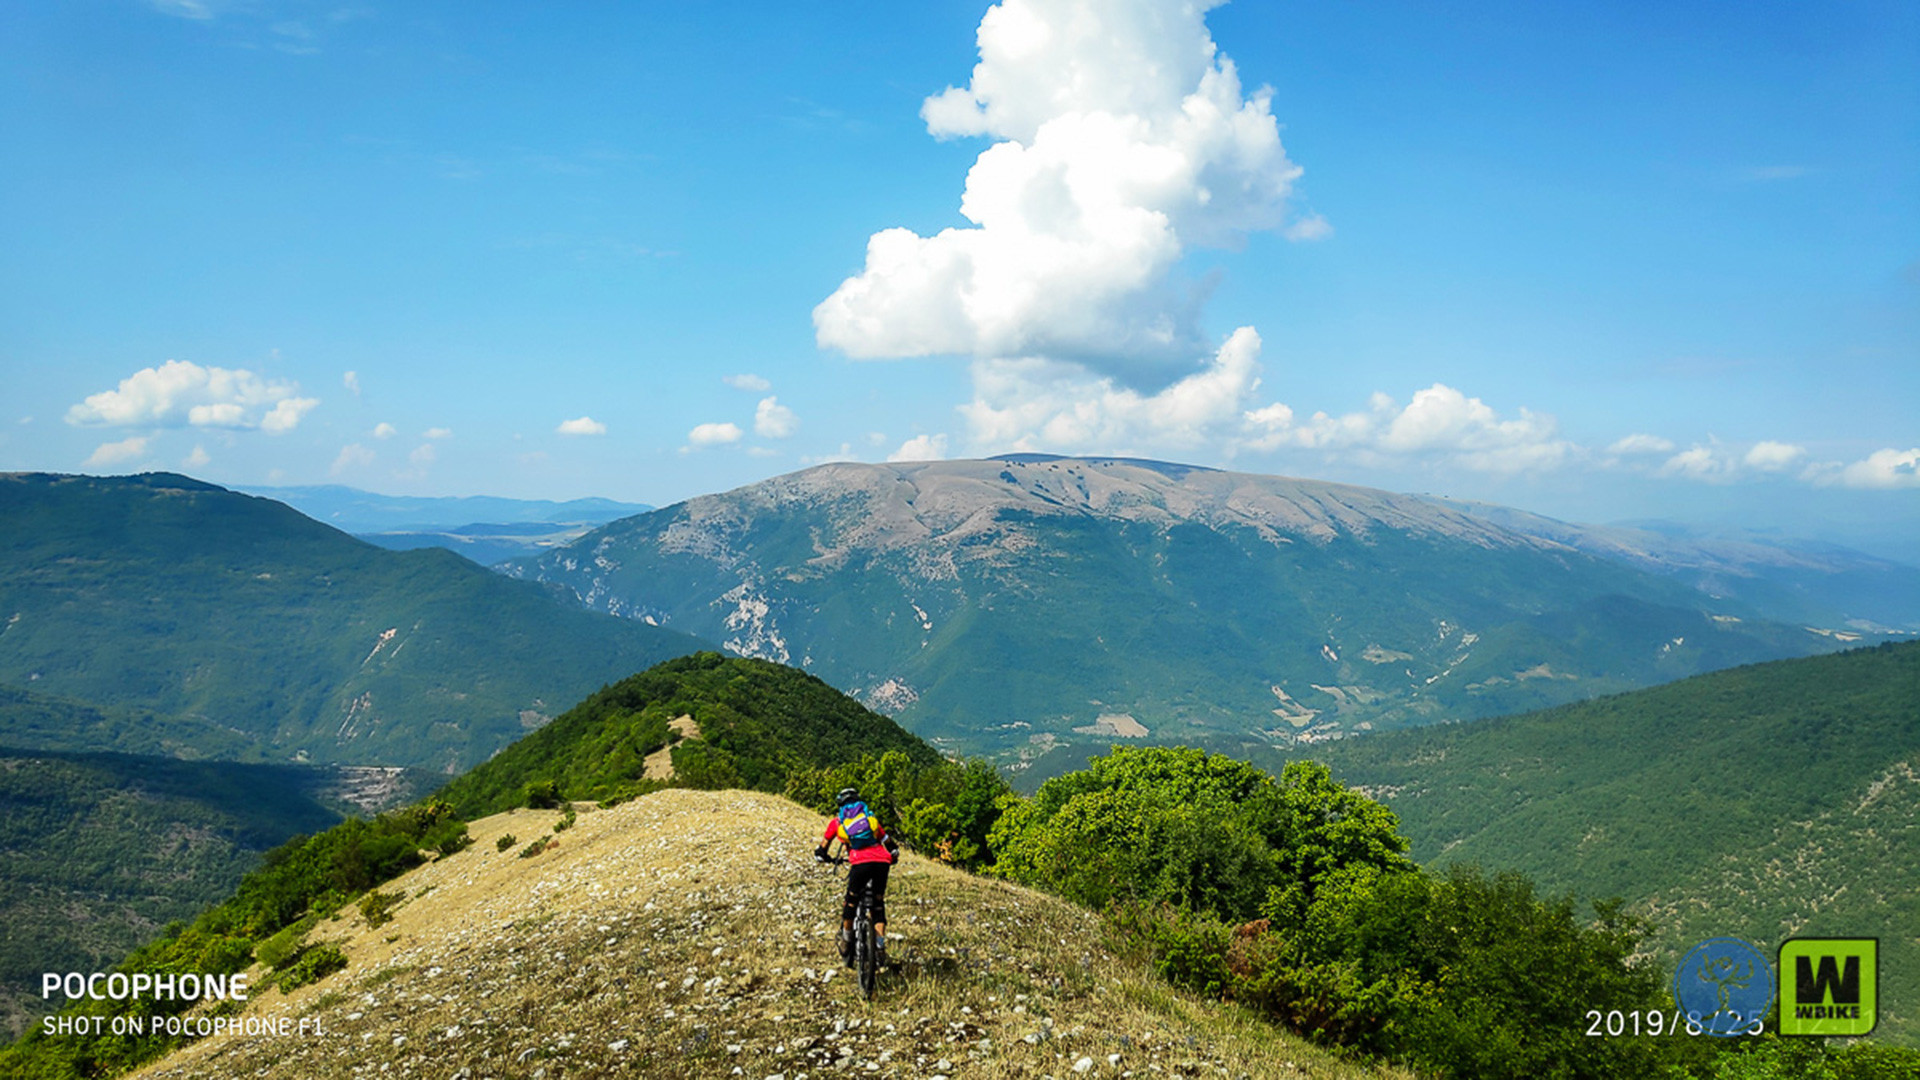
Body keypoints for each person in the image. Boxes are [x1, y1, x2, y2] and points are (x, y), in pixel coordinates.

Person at [813, 787, 899, 966]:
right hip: (882, 862)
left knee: (851, 902)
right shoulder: (869, 819)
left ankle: (846, 940)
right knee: (877, 904)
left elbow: (822, 848)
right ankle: (880, 947)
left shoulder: (838, 822)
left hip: (859, 863)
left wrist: (823, 856)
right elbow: (888, 842)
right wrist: (893, 853)